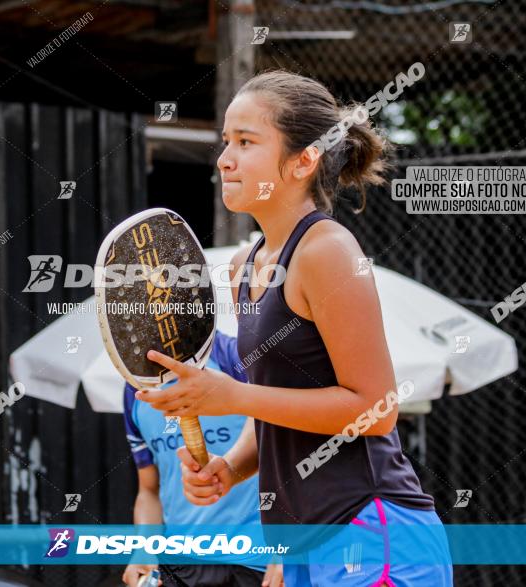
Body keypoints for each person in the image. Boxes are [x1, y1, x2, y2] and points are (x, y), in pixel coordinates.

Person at [136, 70, 453, 586]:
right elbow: (273, 404)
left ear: (304, 160)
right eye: (225, 142)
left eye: (246, 142)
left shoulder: (327, 251)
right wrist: (231, 468)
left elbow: (376, 411)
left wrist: (233, 395)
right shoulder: (245, 266)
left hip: (371, 531)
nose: (224, 159)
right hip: (300, 542)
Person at [122, 330, 282, 587]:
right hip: (180, 566)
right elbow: (149, 490)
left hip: (255, 565)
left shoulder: (238, 357)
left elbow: (291, 462)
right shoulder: (135, 388)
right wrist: (142, 547)